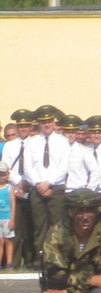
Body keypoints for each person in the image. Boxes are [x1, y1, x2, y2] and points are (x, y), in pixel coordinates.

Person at [24, 105, 70, 268]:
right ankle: (40, 258)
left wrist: (48, 183)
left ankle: (57, 257)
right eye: (43, 122)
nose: (47, 124)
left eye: (49, 121)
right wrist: (38, 184)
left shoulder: (63, 141)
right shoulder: (31, 142)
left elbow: (64, 167)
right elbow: (28, 167)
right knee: (39, 226)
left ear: (54, 121)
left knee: (57, 225)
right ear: (39, 123)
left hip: (56, 188)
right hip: (36, 188)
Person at [1, 109, 35, 268]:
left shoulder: (36, 143)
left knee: (33, 226)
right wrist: (18, 183)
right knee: (17, 228)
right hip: (15, 189)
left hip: (33, 187)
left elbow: (36, 165)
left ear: (30, 127)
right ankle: (14, 260)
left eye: (26, 125)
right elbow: (7, 168)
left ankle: (31, 259)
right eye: (21, 126)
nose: (23, 129)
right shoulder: (10, 146)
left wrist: (28, 182)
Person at [0, 162, 16, 268]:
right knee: (0, 241)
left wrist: (12, 219)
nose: (1, 177)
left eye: (3, 174)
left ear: (7, 174)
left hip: (7, 217)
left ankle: (9, 262)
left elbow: (13, 204)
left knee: (9, 240)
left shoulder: (9, 188)